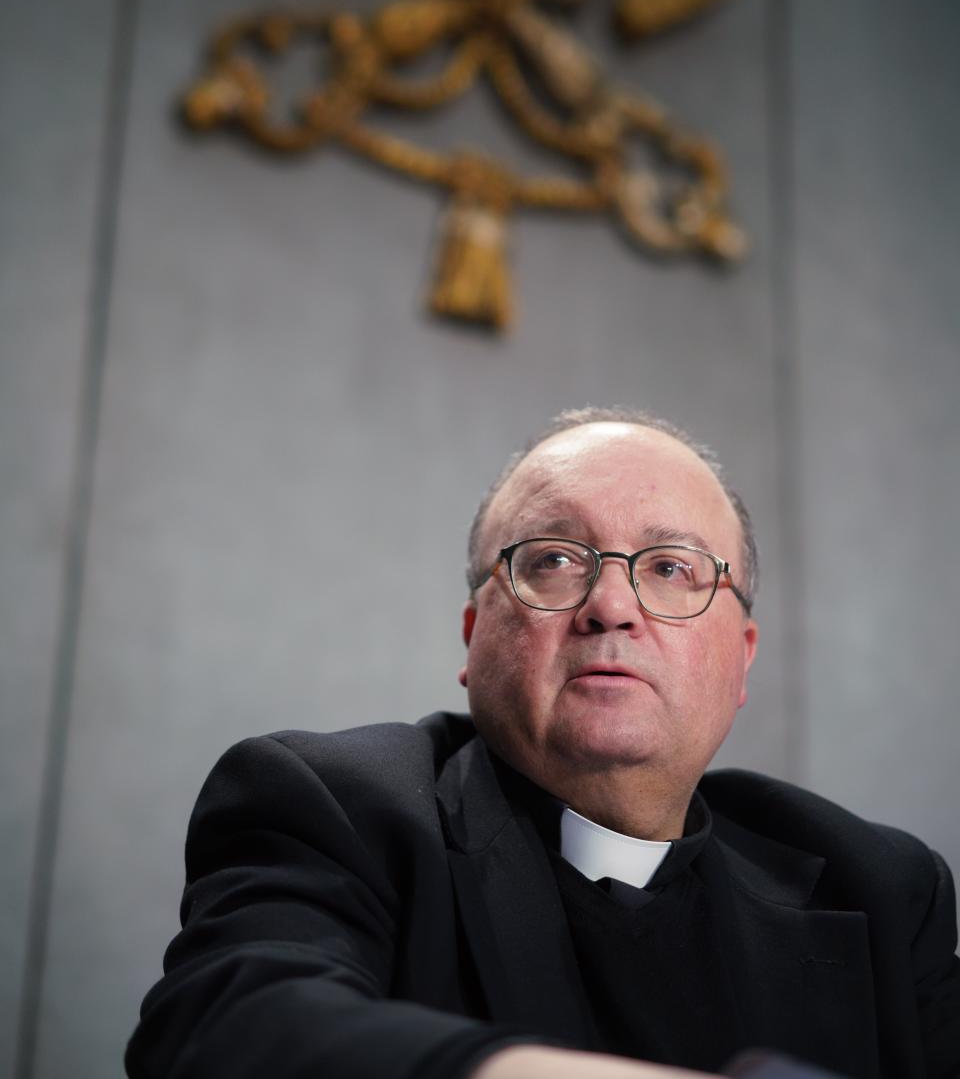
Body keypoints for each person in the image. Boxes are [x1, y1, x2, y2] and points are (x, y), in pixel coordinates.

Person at [125, 408, 960, 1079]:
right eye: (556, 558)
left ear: (741, 658)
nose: (610, 605)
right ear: (473, 632)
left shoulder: (882, 886)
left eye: (671, 567)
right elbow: (224, 1028)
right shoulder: (335, 803)